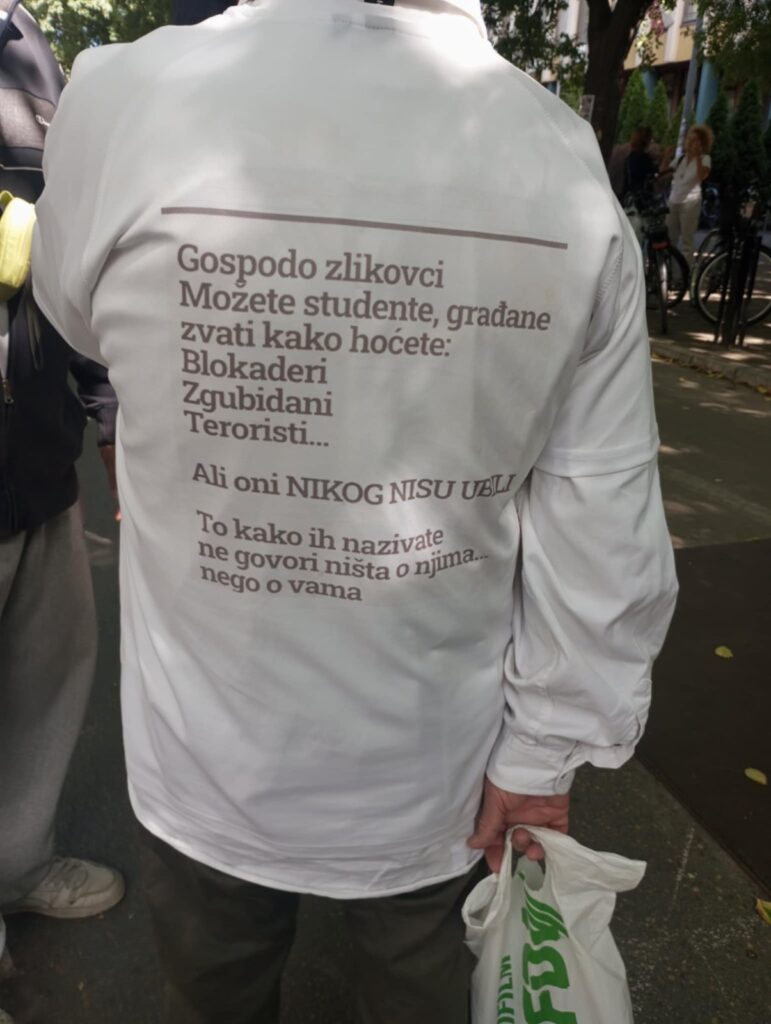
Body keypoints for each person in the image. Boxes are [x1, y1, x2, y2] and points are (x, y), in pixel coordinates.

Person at [32, 1, 678, 1022]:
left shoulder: (127, 100)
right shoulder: (554, 146)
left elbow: (79, 322)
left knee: (214, 988)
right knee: (419, 987)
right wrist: (545, 752)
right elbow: (601, 504)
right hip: (436, 770)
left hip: (205, 756)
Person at [0, 4, 124, 1016]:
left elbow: (69, 240)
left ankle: (14, 863)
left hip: (35, 461)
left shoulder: (23, 40)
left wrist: (107, 418)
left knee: (44, 684)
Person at [660, 124, 713, 264]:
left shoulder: (705, 159)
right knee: (669, 238)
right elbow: (663, 173)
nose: (690, 143)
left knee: (686, 241)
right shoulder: (680, 159)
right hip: (673, 200)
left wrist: (698, 157)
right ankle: (668, 268)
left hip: (690, 202)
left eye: (695, 140)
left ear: (702, 144)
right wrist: (666, 157)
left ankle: (685, 270)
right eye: (689, 139)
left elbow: (702, 176)